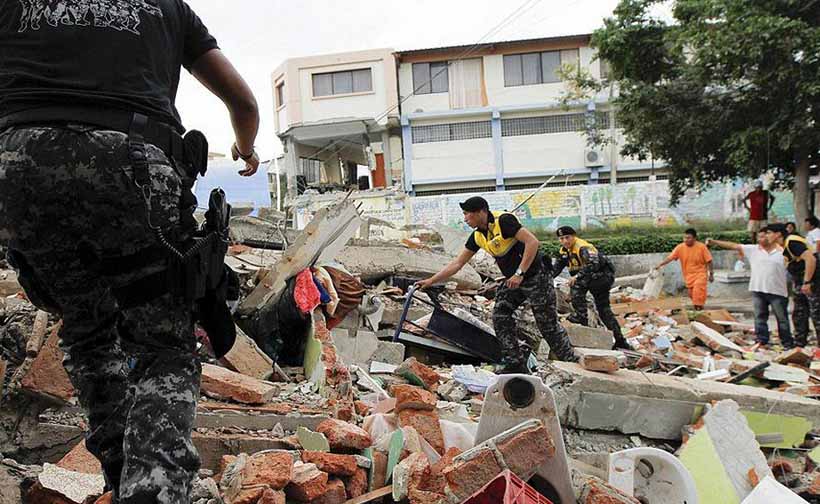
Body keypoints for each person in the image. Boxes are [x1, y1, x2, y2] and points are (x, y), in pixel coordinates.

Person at [0, 3, 260, 503]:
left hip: (19, 166)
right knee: (163, 346)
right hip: (132, 166)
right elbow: (243, 103)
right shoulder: (166, 7)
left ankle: (122, 478)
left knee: (87, 330)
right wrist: (245, 149)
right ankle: (151, 491)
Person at [416, 196, 577, 373]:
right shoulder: (477, 236)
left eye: (468, 214)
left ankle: (570, 361)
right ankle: (515, 362)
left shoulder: (504, 221)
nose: (465, 219)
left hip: (536, 276)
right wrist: (430, 281)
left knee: (547, 324)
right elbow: (457, 264)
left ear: (481, 212)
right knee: (500, 314)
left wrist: (519, 273)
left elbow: (533, 242)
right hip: (513, 281)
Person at [706, 229, 792, 347]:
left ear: (771, 237)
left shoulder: (782, 251)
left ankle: (787, 342)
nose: (760, 239)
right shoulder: (753, 250)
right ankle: (761, 340)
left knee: (782, 319)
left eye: (763, 237)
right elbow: (733, 246)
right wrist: (714, 242)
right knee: (760, 317)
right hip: (758, 289)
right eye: (759, 237)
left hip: (777, 291)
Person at [552, 226, 630, 350]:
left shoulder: (583, 247)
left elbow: (593, 264)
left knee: (600, 306)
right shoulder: (564, 251)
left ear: (574, 236)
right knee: (602, 310)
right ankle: (584, 321)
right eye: (561, 239)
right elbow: (556, 268)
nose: (565, 241)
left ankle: (582, 318)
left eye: (567, 237)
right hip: (589, 278)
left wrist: (577, 276)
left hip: (601, 277)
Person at [767, 223, 820, 347]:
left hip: (813, 280)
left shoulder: (792, 242)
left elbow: (810, 259)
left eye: (769, 233)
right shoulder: (783, 246)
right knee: (799, 313)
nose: (766, 236)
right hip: (799, 280)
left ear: (778, 234)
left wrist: (807, 282)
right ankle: (800, 343)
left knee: (817, 313)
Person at [654, 229, 714, 310]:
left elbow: (709, 260)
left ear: (695, 238)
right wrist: (660, 264)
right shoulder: (680, 247)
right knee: (691, 295)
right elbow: (670, 257)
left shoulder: (702, 247)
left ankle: (698, 309)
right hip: (688, 275)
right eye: (685, 238)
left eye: (689, 238)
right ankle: (699, 308)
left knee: (698, 290)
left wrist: (711, 274)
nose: (686, 240)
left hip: (701, 274)